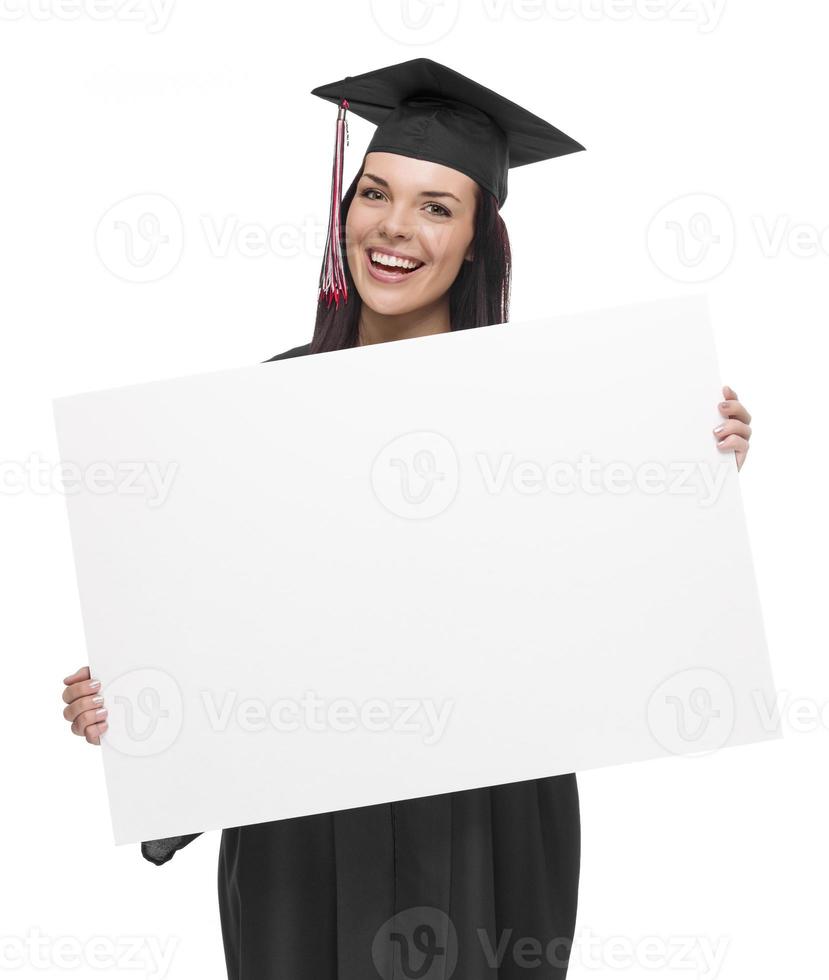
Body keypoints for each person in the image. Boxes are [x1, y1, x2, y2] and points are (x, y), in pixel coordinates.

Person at [60, 58, 753, 980]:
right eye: (375, 195)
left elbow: (613, 607)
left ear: (476, 243)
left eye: (436, 206)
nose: (394, 228)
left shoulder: (554, 413)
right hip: (300, 822)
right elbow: (209, 624)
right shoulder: (256, 412)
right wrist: (130, 706)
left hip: (487, 808)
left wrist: (691, 471)